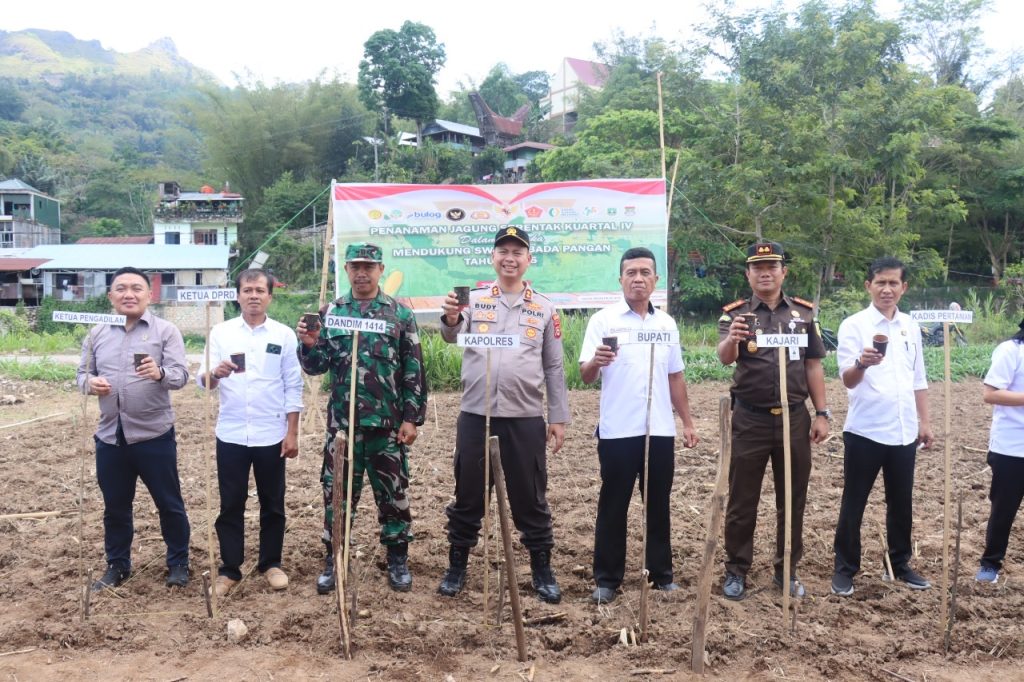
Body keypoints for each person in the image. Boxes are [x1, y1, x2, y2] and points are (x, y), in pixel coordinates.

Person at [437, 225, 570, 604]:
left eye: (517, 252)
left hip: (524, 418)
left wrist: (558, 417)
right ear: (492, 257)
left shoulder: (544, 308)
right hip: (476, 415)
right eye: (503, 252)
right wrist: (450, 318)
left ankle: (542, 569)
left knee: (530, 497)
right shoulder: (474, 300)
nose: (510, 259)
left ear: (529, 260)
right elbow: (452, 335)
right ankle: (457, 567)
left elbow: (554, 367)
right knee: (468, 495)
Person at [296, 243, 427, 594]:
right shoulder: (331, 313)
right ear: (346, 270)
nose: (362, 273)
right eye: (355, 266)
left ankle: (397, 559)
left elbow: (413, 368)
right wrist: (308, 344)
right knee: (337, 495)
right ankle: (334, 559)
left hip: (387, 427)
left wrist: (411, 419)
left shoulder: (399, 314)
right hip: (343, 428)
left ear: (381, 269)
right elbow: (316, 367)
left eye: (369, 266)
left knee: (393, 497)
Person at [578, 247, 699, 604]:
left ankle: (661, 575)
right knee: (613, 505)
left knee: (658, 504)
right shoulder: (603, 321)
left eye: (645, 272)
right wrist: (596, 362)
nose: (638, 279)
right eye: (631, 272)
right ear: (620, 279)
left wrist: (687, 422)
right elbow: (585, 375)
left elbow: (675, 376)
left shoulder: (666, 325)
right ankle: (607, 579)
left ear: (656, 280)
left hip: (659, 430)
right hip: (618, 430)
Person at [716, 241, 830, 600]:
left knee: (792, 499)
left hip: (794, 419)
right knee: (742, 499)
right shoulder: (735, 314)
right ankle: (736, 570)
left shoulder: (803, 314)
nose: (765, 273)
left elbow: (813, 365)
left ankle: (786, 570)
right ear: (748, 274)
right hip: (750, 419)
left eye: (772, 267)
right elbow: (724, 358)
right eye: (757, 268)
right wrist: (733, 339)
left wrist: (822, 413)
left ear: (784, 272)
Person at [77, 266, 191, 590]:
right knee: (115, 507)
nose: (129, 294)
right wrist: (90, 383)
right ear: (111, 296)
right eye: (121, 288)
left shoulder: (165, 331)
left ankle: (178, 563)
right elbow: (81, 375)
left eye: (136, 288)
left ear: (149, 295)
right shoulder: (97, 333)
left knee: (169, 503)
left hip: (154, 435)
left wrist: (159, 373)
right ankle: (117, 566)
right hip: (110, 436)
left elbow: (181, 375)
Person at [830, 257, 933, 596]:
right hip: (866, 430)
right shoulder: (854, 325)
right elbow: (847, 379)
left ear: (904, 287)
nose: (887, 289)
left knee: (901, 502)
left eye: (893, 283)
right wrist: (862, 363)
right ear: (868, 286)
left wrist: (924, 421)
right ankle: (845, 568)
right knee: (854, 502)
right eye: (880, 283)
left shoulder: (910, 326)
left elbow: (918, 378)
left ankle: (899, 564)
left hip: (903, 431)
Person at [198, 269, 303, 597]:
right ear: (238, 295)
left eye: (260, 290)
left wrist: (292, 432)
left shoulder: (284, 335)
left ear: (270, 295)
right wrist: (215, 373)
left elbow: (293, 384)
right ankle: (230, 569)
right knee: (231, 502)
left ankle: (271, 563)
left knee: (273, 501)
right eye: (247, 290)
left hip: (271, 433)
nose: (253, 296)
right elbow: (204, 381)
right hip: (231, 433)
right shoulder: (221, 332)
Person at [975, 318, 1024, 584]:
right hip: (1012, 447)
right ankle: (990, 563)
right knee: (1003, 509)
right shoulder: (1011, 350)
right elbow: (991, 393)